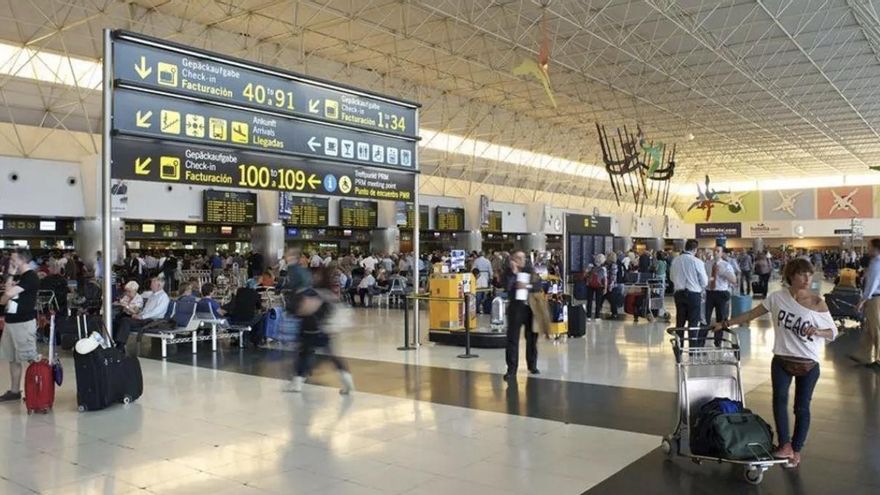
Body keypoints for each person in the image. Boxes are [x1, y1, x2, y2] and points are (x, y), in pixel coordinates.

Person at [713, 259, 837, 468]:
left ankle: (796, 449)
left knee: (801, 407)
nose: (807, 279)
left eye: (809, 274)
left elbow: (832, 332)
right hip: (781, 359)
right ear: (791, 276)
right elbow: (752, 314)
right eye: (802, 274)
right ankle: (784, 445)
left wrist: (817, 331)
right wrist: (725, 323)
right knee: (779, 402)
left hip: (808, 363)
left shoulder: (817, 302)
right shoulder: (777, 298)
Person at [285, 267, 354, 394]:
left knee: (304, 354)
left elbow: (302, 310)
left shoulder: (312, 292)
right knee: (331, 356)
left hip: (310, 330)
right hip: (324, 329)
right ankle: (347, 381)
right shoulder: (328, 292)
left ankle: (297, 384)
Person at [0, 249, 40, 403]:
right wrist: (10, 274)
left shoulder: (31, 277)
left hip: (23, 323)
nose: (11, 261)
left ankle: (38, 390)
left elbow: (7, 296)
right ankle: (15, 390)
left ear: (22, 260)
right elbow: (6, 296)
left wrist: (5, 296)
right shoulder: (21, 277)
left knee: (30, 357)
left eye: (13, 259)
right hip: (11, 322)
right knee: (13, 358)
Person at [503, 250, 538, 380]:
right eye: (518, 258)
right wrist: (514, 273)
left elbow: (538, 285)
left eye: (523, 258)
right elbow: (505, 286)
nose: (521, 260)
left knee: (532, 338)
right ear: (512, 259)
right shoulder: (508, 272)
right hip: (515, 309)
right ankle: (511, 369)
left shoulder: (530, 270)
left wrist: (526, 286)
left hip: (530, 308)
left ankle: (532, 364)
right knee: (512, 339)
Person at [114, 277, 170, 350]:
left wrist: (142, 317)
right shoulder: (152, 295)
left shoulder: (163, 297)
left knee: (125, 320)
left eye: (152, 285)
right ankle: (115, 343)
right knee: (117, 320)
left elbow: (157, 312)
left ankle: (120, 347)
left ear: (159, 286)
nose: (150, 286)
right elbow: (146, 309)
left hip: (153, 320)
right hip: (145, 318)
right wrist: (139, 315)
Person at [669, 240, 708, 338]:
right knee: (693, 323)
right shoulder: (697, 262)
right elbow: (704, 281)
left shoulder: (675, 260)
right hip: (693, 294)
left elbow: (671, 277)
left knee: (680, 322)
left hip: (679, 294)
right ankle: (692, 350)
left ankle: (679, 348)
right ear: (695, 249)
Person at [705, 246, 737, 341]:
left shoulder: (726, 265)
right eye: (714, 251)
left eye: (718, 251)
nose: (715, 253)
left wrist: (724, 273)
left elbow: (734, 280)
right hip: (709, 293)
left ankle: (718, 340)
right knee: (705, 318)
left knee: (721, 318)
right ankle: (701, 341)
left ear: (722, 253)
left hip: (721, 293)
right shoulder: (707, 264)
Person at [857, 238, 880, 368]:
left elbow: (872, 284)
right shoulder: (874, 262)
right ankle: (864, 355)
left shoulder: (877, 264)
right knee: (868, 328)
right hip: (874, 298)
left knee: (876, 329)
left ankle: (878, 359)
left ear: (875, 248)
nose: (867, 249)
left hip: (875, 299)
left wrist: (863, 300)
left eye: (869, 247)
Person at [585, 254, 607, 321]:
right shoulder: (603, 268)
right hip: (599, 286)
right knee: (598, 301)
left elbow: (585, 274)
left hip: (590, 285)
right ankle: (597, 316)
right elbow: (605, 279)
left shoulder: (590, 266)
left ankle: (588, 316)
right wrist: (605, 288)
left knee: (589, 300)